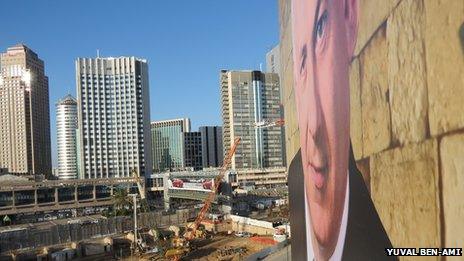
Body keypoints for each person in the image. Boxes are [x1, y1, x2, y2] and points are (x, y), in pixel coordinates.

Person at [288, 0, 396, 260]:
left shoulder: (379, 248)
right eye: (301, 64)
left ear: (349, 16)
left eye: (321, 29)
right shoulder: (295, 173)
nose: (313, 124)